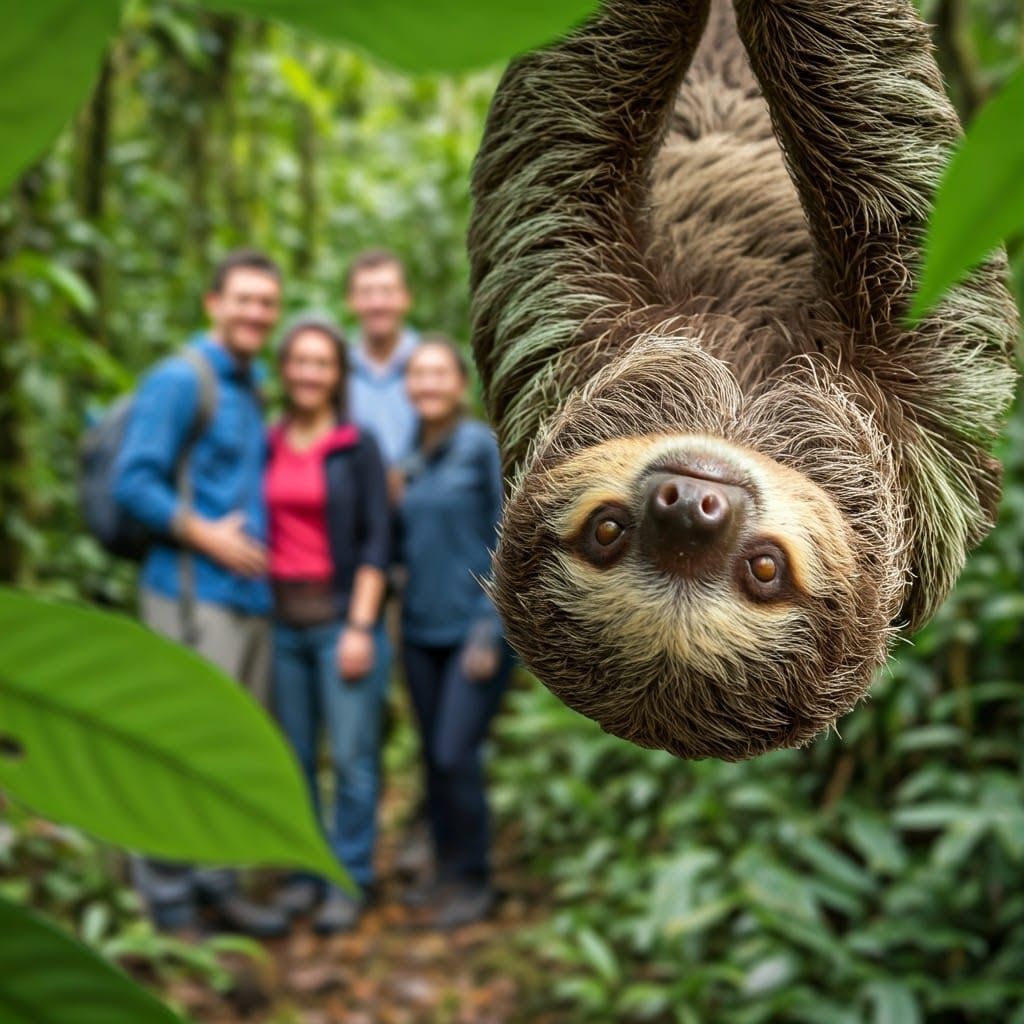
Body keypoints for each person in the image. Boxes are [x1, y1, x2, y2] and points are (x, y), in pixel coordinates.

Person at [114, 248, 289, 938]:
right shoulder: (180, 381)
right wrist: (206, 535)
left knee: (229, 752)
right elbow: (135, 482)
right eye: (243, 299)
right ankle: (168, 903)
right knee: (175, 750)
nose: (256, 313)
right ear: (212, 303)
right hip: (190, 596)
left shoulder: (251, 384)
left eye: (266, 303)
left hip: (248, 602)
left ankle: (218, 886)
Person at [266, 315, 390, 934]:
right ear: (285, 370)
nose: (310, 373)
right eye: (300, 361)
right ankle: (302, 873)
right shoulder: (266, 441)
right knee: (292, 759)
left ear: (337, 374)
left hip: (342, 619)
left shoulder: (356, 445)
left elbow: (377, 543)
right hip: (280, 626)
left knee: (351, 757)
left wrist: (361, 628)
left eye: (322, 363)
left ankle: (349, 875)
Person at [396, 336, 513, 929]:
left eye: (438, 374)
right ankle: (444, 871)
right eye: (418, 376)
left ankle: (475, 878)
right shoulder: (410, 457)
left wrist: (489, 631)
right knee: (433, 759)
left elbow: (510, 540)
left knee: (454, 752)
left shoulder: (479, 448)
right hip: (420, 632)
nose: (428, 385)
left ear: (458, 386)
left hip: (473, 634)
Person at [345, 248, 419, 470]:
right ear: (351, 301)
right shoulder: (337, 369)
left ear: (406, 298)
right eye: (366, 293)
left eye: (387, 292)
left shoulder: (429, 365)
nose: (377, 303)